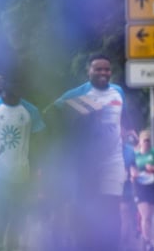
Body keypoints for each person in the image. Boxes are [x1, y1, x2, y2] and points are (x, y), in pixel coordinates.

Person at [49, 54, 130, 249]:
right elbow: (50, 113)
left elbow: (124, 120)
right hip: (86, 164)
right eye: (98, 69)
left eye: (106, 69)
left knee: (112, 209)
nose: (103, 73)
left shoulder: (118, 92)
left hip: (113, 161)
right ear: (89, 71)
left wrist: (129, 133)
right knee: (85, 212)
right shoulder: (79, 95)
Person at [0, 72, 45, 249]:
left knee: (15, 215)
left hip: (20, 174)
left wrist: (37, 171)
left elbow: (38, 144)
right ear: (4, 83)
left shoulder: (31, 112)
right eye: (14, 81)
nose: (18, 85)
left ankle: (10, 245)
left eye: (21, 81)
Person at [132, 129, 154, 250]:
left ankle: (145, 238)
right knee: (145, 215)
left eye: (148, 141)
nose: (146, 143)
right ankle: (147, 242)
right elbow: (129, 169)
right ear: (140, 141)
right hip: (140, 187)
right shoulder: (135, 154)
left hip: (152, 186)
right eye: (144, 141)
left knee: (149, 217)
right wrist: (133, 174)